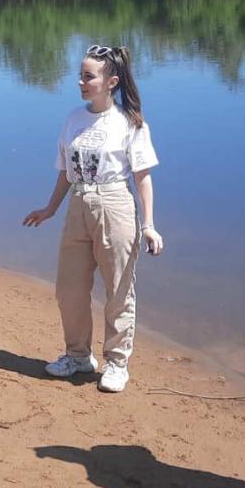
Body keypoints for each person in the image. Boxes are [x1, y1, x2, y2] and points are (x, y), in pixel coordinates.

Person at [23, 45, 163, 393]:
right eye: (81, 75)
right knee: (69, 290)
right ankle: (78, 356)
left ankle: (117, 362)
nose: (81, 82)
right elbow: (65, 172)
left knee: (118, 291)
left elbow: (142, 177)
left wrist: (149, 225)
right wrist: (50, 208)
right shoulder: (73, 118)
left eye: (88, 76)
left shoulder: (130, 123)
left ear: (111, 81)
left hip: (115, 205)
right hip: (77, 205)